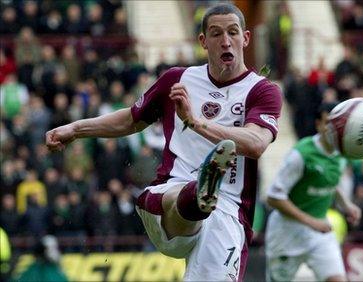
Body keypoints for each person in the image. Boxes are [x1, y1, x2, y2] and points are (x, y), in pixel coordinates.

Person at [45, 3, 282, 281]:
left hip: (229, 212)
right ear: (203, 42)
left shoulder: (262, 91)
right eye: (216, 34)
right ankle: (197, 195)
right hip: (170, 197)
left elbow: (256, 142)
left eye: (232, 32)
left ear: (246, 38)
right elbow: (131, 119)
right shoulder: (178, 79)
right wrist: (75, 129)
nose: (226, 40)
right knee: (181, 197)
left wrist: (197, 122)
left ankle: (201, 195)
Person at [265, 103, 361, 282]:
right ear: (318, 124)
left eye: (336, 123)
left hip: (320, 233)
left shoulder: (341, 153)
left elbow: (330, 180)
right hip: (286, 233)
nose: (333, 129)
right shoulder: (302, 154)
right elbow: (274, 197)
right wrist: (311, 222)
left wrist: (347, 205)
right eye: (327, 123)